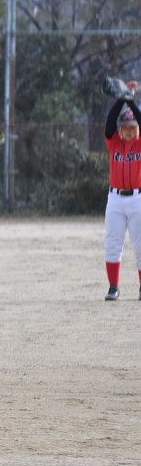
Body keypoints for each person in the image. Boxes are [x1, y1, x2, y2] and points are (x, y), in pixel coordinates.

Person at [103, 80, 141, 301]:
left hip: (138, 199)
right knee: (112, 243)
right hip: (115, 199)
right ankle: (113, 287)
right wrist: (121, 98)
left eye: (133, 127)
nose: (129, 131)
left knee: (140, 246)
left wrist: (131, 99)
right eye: (125, 128)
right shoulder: (114, 143)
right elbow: (109, 122)